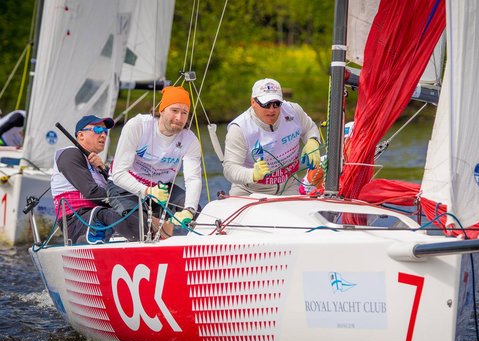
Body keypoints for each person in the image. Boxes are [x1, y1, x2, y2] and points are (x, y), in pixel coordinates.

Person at [108, 85, 202, 230]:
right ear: (162, 110)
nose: (179, 118)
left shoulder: (190, 140)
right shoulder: (138, 126)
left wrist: (189, 209)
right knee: (139, 225)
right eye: (174, 110)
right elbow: (118, 173)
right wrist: (148, 191)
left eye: (184, 113)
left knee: (197, 213)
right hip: (124, 187)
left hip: (162, 189)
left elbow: (193, 178)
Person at [51, 115, 144, 244]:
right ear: (81, 135)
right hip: (76, 220)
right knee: (112, 214)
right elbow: (91, 192)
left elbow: (116, 189)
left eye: (105, 132)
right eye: (98, 130)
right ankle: (141, 243)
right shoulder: (70, 154)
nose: (103, 135)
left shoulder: (97, 165)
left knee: (137, 213)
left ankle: (152, 240)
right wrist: (125, 200)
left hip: (97, 215)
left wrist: (104, 170)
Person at [223, 78, 321, 195]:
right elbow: (229, 169)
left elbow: (310, 128)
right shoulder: (239, 128)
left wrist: (312, 141)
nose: (272, 110)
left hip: (288, 187)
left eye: (276, 104)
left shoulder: (293, 111)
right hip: (249, 190)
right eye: (266, 104)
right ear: (253, 102)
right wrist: (252, 174)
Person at [298, 121, 354, 195]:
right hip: (311, 199)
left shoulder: (362, 164)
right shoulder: (325, 162)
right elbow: (311, 183)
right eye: (353, 142)